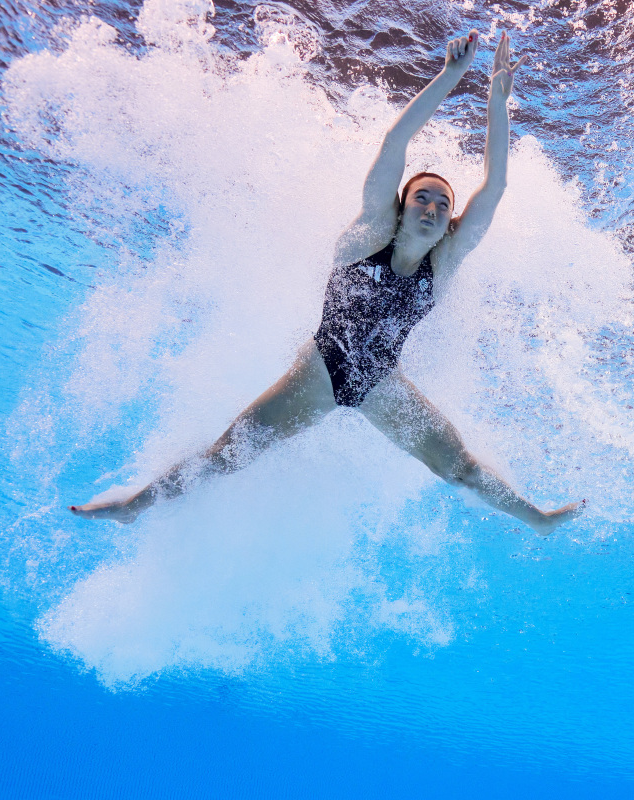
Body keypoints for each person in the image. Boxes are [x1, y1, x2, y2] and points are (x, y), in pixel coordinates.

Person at [71, 31, 583, 535]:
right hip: (317, 373)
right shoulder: (368, 234)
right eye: (422, 197)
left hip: (381, 388)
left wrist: (498, 101)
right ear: (402, 206)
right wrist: (450, 76)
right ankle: (135, 505)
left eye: (443, 204)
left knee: (460, 468)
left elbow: (494, 186)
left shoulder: (443, 264)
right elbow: (395, 142)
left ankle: (536, 520)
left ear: (451, 222)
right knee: (227, 456)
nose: (431, 207)